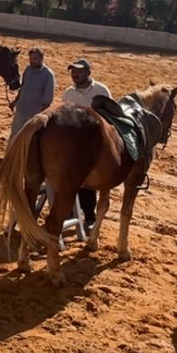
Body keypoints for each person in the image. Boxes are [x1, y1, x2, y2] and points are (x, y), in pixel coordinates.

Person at [61, 58, 113, 230]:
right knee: (70, 178)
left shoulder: (101, 91)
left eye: (79, 71)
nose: (75, 74)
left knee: (88, 180)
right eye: (73, 71)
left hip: (93, 142)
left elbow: (111, 116)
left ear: (88, 73)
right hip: (72, 143)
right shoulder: (68, 93)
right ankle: (69, 212)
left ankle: (89, 215)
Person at [8, 47, 55, 141]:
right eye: (31, 59)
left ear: (41, 58)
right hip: (21, 110)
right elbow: (23, 88)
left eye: (35, 59)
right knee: (14, 135)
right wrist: (15, 101)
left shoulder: (48, 75)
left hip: (33, 114)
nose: (32, 61)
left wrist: (38, 117)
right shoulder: (28, 70)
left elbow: (47, 101)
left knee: (29, 139)